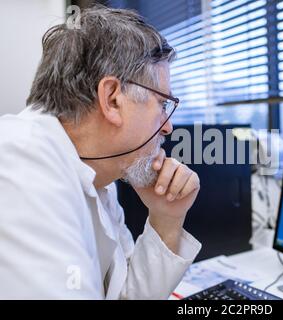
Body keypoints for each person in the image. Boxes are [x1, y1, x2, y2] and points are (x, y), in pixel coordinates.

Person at [0, 5, 201, 299]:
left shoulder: (96, 177)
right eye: (162, 104)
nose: (168, 127)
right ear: (112, 99)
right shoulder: (20, 163)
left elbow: (126, 296)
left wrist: (166, 218)